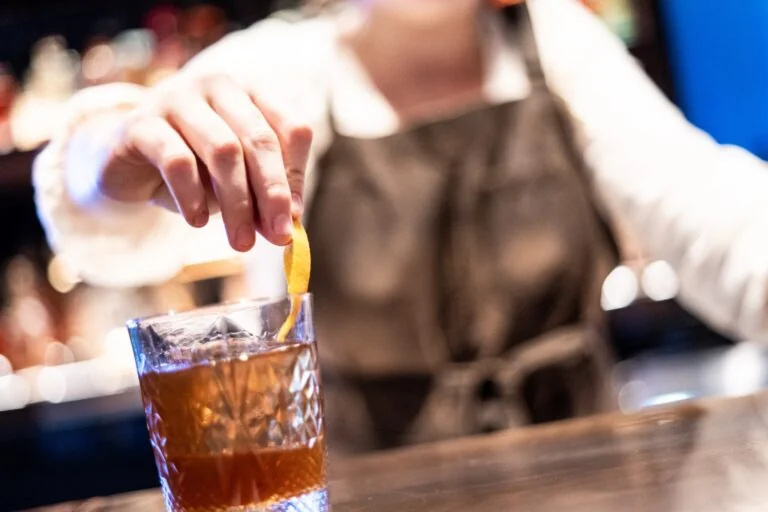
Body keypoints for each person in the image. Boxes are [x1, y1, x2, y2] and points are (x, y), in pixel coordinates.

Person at [33, 0, 768, 453]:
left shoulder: (558, 46)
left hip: (587, 484)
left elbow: (727, 227)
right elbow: (96, 217)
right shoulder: (282, 66)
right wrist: (108, 155)